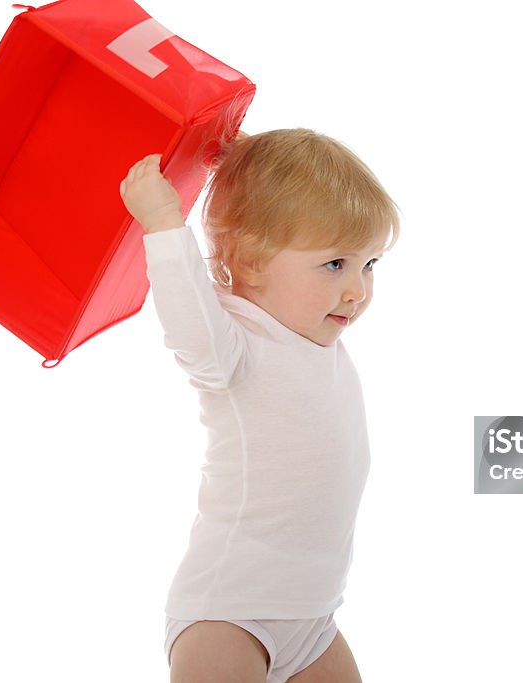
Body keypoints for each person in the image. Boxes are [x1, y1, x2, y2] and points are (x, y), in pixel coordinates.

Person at [119, 128, 400, 683]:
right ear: (248, 260)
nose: (357, 291)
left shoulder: (318, 340)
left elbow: (275, 209)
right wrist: (163, 226)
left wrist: (249, 163)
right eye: (335, 264)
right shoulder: (236, 343)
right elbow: (189, 319)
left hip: (314, 619)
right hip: (230, 613)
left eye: (369, 265)